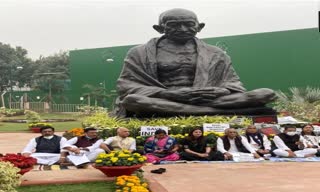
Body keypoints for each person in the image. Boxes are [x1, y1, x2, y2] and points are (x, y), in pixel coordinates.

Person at [114, 8, 276, 117]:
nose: (183, 29)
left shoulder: (216, 53)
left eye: (189, 24)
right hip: (165, 99)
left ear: (199, 27)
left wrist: (219, 91)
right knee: (133, 100)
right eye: (174, 25)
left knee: (265, 93)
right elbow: (126, 86)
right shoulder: (139, 53)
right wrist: (169, 93)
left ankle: (197, 111)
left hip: (206, 98)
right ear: (159, 28)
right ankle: (213, 113)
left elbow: (233, 84)